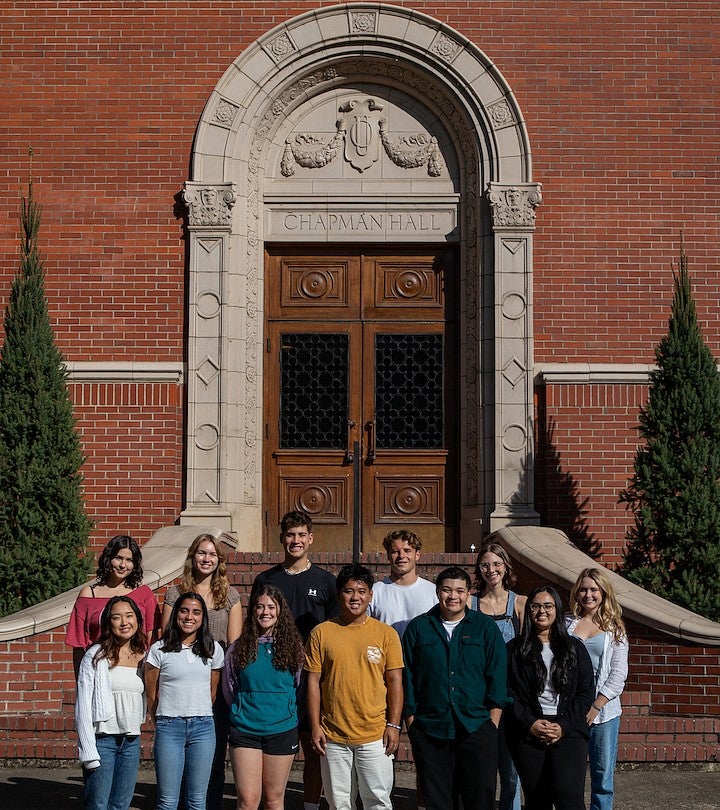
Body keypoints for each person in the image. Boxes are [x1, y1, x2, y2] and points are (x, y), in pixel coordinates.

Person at [251, 509, 337, 810]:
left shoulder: (326, 581)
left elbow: (335, 630)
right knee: (272, 750)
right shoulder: (266, 579)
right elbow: (253, 624)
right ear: (281, 539)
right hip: (274, 677)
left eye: (301, 535)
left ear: (311, 539)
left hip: (313, 677)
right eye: (290, 535)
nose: (296, 540)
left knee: (314, 746)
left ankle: (312, 805)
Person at [402, 566, 508, 810]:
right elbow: (407, 676)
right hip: (431, 729)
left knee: (480, 800)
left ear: (468, 595)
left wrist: (492, 723)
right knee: (437, 801)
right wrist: (412, 722)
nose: (453, 596)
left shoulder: (484, 628)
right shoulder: (419, 628)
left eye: (460, 591)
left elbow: (497, 677)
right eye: (447, 590)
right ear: (438, 592)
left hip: (477, 727)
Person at [304, 563, 403, 810]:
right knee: (339, 803)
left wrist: (393, 724)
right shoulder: (321, 632)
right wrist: (315, 726)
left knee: (377, 800)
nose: (355, 597)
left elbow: (394, 682)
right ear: (339, 596)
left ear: (370, 595)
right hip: (333, 735)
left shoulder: (386, 634)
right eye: (349, 591)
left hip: (375, 734)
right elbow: (313, 682)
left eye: (361, 591)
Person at [161, 533, 243, 809]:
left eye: (212, 555)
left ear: (219, 561)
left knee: (214, 753)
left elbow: (233, 645)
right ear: (192, 557)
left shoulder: (230, 595)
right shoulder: (175, 593)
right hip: (182, 681)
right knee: (180, 757)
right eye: (201, 553)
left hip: (214, 680)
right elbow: (166, 638)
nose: (206, 559)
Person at [506, 585, 594, 810]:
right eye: (535, 606)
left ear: (557, 609)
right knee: (537, 798)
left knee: (570, 798)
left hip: (569, 730)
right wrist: (530, 723)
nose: (541, 611)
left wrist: (563, 727)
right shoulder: (514, 650)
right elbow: (507, 693)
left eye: (548, 606)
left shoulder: (575, 648)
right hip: (529, 730)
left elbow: (585, 693)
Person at [222, 585, 304, 810]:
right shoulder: (238, 649)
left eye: (271, 607)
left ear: (280, 611)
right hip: (245, 730)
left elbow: (297, 686)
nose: (265, 612)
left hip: (281, 730)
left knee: (273, 799)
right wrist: (242, 709)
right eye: (259, 607)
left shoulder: (294, 648)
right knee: (248, 801)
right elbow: (230, 689)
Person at [145, 592, 225, 810]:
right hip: (169, 727)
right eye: (184, 610)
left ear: (203, 618)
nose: (189, 617)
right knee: (167, 801)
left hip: (203, 729)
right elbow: (152, 693)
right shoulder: (159, 650)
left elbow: (213, 691)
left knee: (198, 800)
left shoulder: (213, 649)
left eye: (196, 612)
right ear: (176, 614)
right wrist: (160, 721)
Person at [75, 595, 147, 810]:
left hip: (131, 742)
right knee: (98, 804)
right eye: (117, 617)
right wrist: (87, 751)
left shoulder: (144, 655)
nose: (124, 622)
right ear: (108, 622)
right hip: (102, 741)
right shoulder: (95, 655)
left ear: (137, 619)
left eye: (129, 616)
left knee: (121, 804)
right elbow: (83, 707)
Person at [567, 568, 629, 810]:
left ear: (603, 593)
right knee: (570, 776)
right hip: (572, 712)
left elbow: (618, 674)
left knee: (602, 778)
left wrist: (596, 705)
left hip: (604, 714)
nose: (588, 594)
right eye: (583, 589)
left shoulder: (616, 628)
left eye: (594, 589)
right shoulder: (566, 624)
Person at [473, 541, 527, 810]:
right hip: (478, 696)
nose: (491, 569)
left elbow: (529, 652)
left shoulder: (519, 603)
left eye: (496, 564)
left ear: (506, 567)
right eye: (485, 564)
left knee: (510, 772)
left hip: (510, 695)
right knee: (479, 767)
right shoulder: (470, 603)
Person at [67, 534, 160, 677]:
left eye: (129, 560)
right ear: (108, 558)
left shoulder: (144, 594)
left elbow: (151, 640)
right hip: (98, 670)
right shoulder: (89, 594)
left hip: (135, 671)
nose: (123, 565)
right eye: (118, 558)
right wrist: (81, 681)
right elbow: (79, 644)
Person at [368, 529, 438, 638]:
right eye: (395, 551)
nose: (401, 556)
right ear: (388, 556)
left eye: (407, 550)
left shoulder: (433, 592)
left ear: (417, 555)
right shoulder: (375, 592)